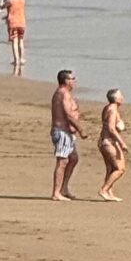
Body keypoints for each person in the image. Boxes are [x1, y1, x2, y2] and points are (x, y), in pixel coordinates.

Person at [50, 69, 83, 200]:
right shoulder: (62, 93)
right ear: (66, 81)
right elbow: (68, 114)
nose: (74, 81)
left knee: (73, 158)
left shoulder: (65, 93)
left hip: (67, 133)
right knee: (62, 161)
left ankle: (64, 188)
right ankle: (56, 193)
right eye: (72, 79)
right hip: (62, 131)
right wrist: (81, 129)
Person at [98, 89, 128, 198]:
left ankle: (109, 192)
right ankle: (104, 189)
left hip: (105, 141)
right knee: (120, 169)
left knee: (110, 168)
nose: (122, 97)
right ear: (115, 98)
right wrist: (122, 143)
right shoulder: (112, 109)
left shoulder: (109, 108)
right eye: (120, 96)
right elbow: (111, 128)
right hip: (108, 142)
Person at [5, 0, 28, 76]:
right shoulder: (23, 0)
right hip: (22, 22)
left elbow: (3, 6)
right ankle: (22, 58)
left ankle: (16, 60)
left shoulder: (11, 0)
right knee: (21, 41)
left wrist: (3, 3)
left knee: (14, 41)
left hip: (13, 22)